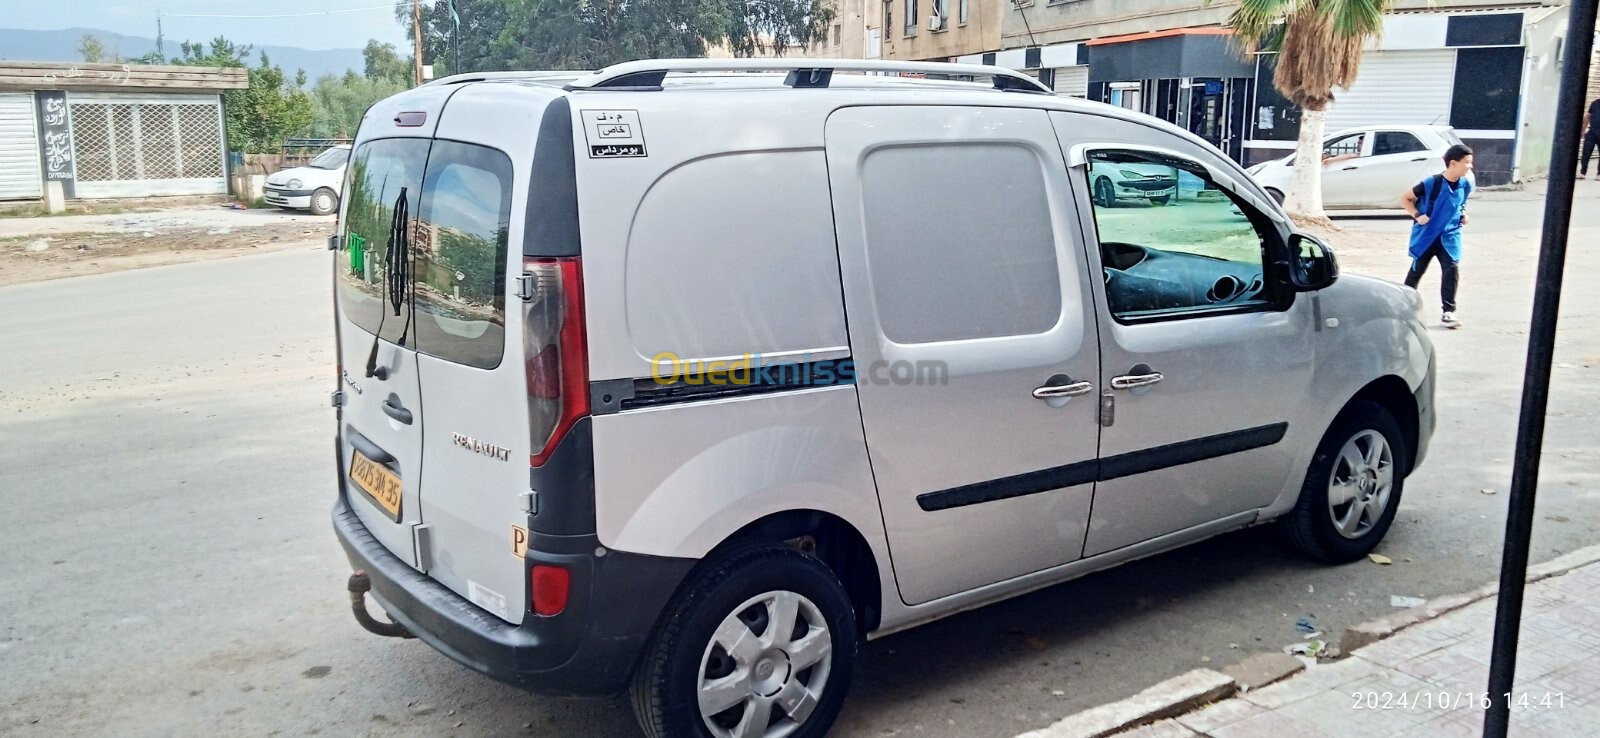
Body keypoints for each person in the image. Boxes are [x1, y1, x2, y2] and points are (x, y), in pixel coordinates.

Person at [1400, 144, 1474, 329]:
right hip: (1427, 236)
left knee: (1451, 270)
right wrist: (1418, 215)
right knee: (1416, 272)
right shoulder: (1431, 183)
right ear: (1453, 163)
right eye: (1467, 163)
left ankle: (1448, 312)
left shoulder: (1465, 185)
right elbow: (1405, 198)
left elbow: (1460, 204)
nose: (1470, 167)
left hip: (1449, 237)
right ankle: (1402, 307)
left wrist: (1463, 215)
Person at [1581, 96, 1599, 179]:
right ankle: (1582, 172)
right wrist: (1583, 130)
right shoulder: (1594, 103)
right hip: (1592, 131)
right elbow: (1587, 117)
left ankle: (1599, 174)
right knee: (1586, 152)